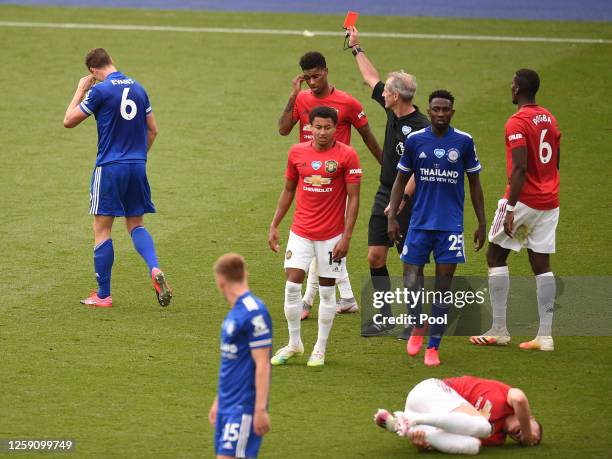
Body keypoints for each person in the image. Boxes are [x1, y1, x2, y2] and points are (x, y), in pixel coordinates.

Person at [63, 48, 171, 308]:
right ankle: (154, 268)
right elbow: (153, 130)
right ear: (112, 61)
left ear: (93, 71)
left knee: (102, 230)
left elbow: (68, 120)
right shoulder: (138, 88)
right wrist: (137, 158)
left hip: (110, 167)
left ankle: (103, 295)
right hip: (137, 165)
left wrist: (80, 90)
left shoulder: (99, 90)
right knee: (135, 224)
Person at [278, 51, 381, 320]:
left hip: (337, 181)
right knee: (319, 244)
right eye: (308, 77)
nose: (312, 82)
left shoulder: (347, 102)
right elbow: (283, 129)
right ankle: (345, 297)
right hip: (308, 179)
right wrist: (293, 95)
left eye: (316, 76)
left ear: (326, 70)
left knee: (320, 242)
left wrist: (388, 167)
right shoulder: (301, 99)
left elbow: (368, 136)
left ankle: (307, 301)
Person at [387, 90, 486, 366]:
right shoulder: (415, 141)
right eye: (436, 109)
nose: (440, 114)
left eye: (445, 110)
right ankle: (418, 324)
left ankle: (433, 346)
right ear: (428, 111)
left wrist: (481, 221)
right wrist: (392, 216)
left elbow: (475, 184)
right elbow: (399, 181)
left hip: (450, 227)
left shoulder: (464, 142)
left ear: (452, 112)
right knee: (410, 279)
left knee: (443, 288)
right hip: (419, 223)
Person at [346, 27, 431, 338]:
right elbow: (371, 78)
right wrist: (357, 48)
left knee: (410, 261)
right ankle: (383, 318)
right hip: (386, 193)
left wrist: (399, 205)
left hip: (409, 199)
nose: (380, 93)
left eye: (386, 92)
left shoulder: (422, 129)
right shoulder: (394, 110)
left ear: (396, 96)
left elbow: (421, 176)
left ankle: (415, 321)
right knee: (375, 256)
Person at [471, 69, 561, 351]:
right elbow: (556, 160)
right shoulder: (549, 117)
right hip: (549, 201)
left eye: (511, 84)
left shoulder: (517, 122)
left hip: (523, 201)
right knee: (541, 265)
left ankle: (499, 329)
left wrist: (511, 208)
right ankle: (545, 336)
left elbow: (520, 167)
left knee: (495, 255)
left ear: (517, 89)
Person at [269, 106, 362, 367]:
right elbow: (288, 190)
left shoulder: (347, 155)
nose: (322, 132)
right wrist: (274, 224)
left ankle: (319, 348)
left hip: (331, 236)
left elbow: (354, 198)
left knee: (327, 291)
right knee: (291, 286)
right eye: (317, 127)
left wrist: (347, 237)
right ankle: (294, 343)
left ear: (336, 128)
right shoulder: (297, 152)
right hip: (300, 232)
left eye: (327, 127)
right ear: (309, 128)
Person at [374, 376, 542, 455]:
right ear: (530, 418)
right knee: (483, 427)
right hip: (429, 391)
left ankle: (399, 425)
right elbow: (520, 399)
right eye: (534, 433)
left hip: (425, 416)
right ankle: (412, 420)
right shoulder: (507, 396)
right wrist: (528, 437)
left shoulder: (497, 439)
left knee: (473, 446)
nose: (523, 438)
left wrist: (424, 443)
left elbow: (450, 432)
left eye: (521, 441)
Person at [209, 253, 272, 459]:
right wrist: (219, 401)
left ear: (220, 281)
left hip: (243, 407)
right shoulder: (234, 313)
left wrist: (260, 409)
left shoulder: (254, 313)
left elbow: (263, 363)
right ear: (245, 274)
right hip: (227, 405)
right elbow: (231, 362)